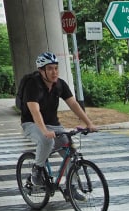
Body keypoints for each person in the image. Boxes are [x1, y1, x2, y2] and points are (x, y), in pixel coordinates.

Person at [20, 51, 98, 188]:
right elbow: (35, 111)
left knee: (71, 154)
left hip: (54, 124)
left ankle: (72, 188)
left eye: (56, 68)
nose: (54, 72)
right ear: (41, 71)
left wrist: (89, 123)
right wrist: (44, 131)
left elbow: (73, 104)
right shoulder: (32, 85)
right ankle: (37, 170)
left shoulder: (60, 84)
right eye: (49, 69)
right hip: (31, 123)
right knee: (47, 141)